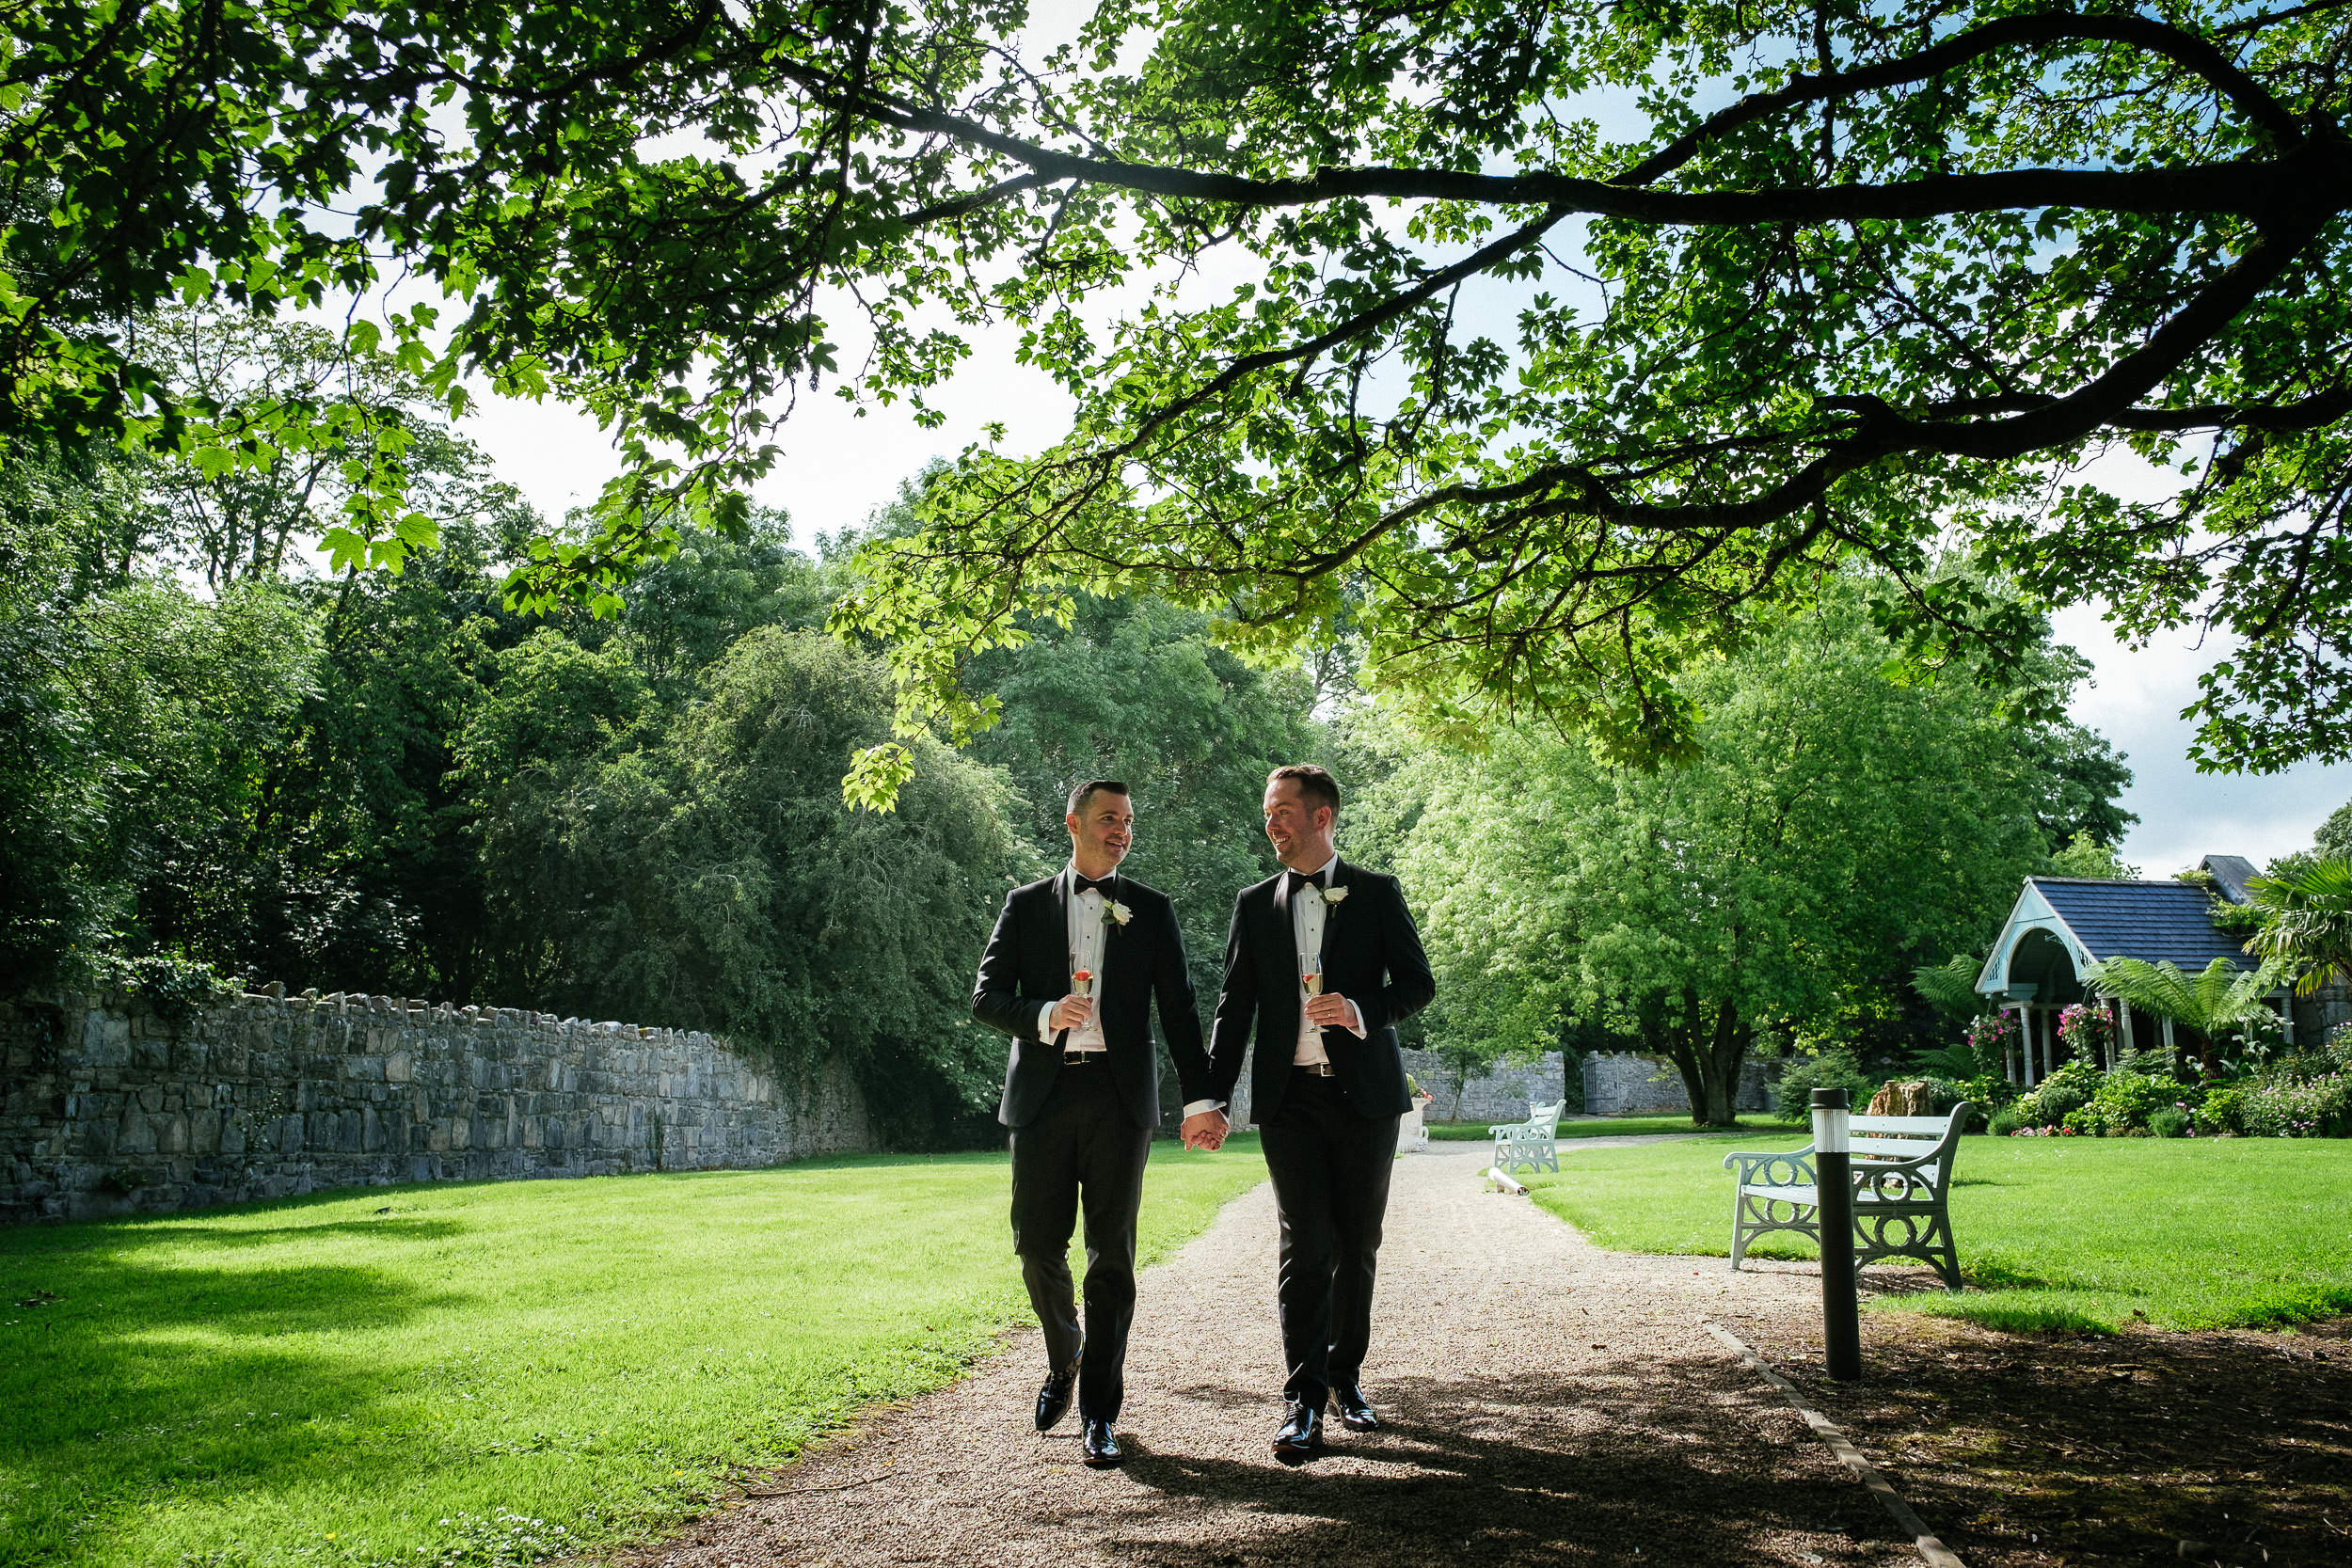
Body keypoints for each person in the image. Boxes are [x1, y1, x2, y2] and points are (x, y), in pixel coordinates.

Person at [1181, 764, 1435, 1461]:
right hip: (1289, 1100)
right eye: (1268, 813)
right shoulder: (1253, 902)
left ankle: (1346, 1378)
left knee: (1357, 1244)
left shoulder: (1378, 893)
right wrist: (1211, 1097)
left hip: (1366, 1100)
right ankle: (1302, 1400)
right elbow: (1233, 1011)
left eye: (1284, 811)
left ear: (1322, 817)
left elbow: (1418, 983)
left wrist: (1359, 1010)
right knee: (1304, 1245)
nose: (1272, 824)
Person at [971, 780, 1205, 1468]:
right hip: (1043, 1097)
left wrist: (1202, 1099)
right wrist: (1045, 1015)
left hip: (1118, 1100)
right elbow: (986, 997)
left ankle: (1100, 1413)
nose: (1122, 830)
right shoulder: (1023, 905)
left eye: (1128, 821)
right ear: (1072, 821)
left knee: (1112, 1259)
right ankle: (1064, 1349)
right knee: (1036, 1245)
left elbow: (1182, 1014)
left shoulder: (1152, 910)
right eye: (1109, 818)